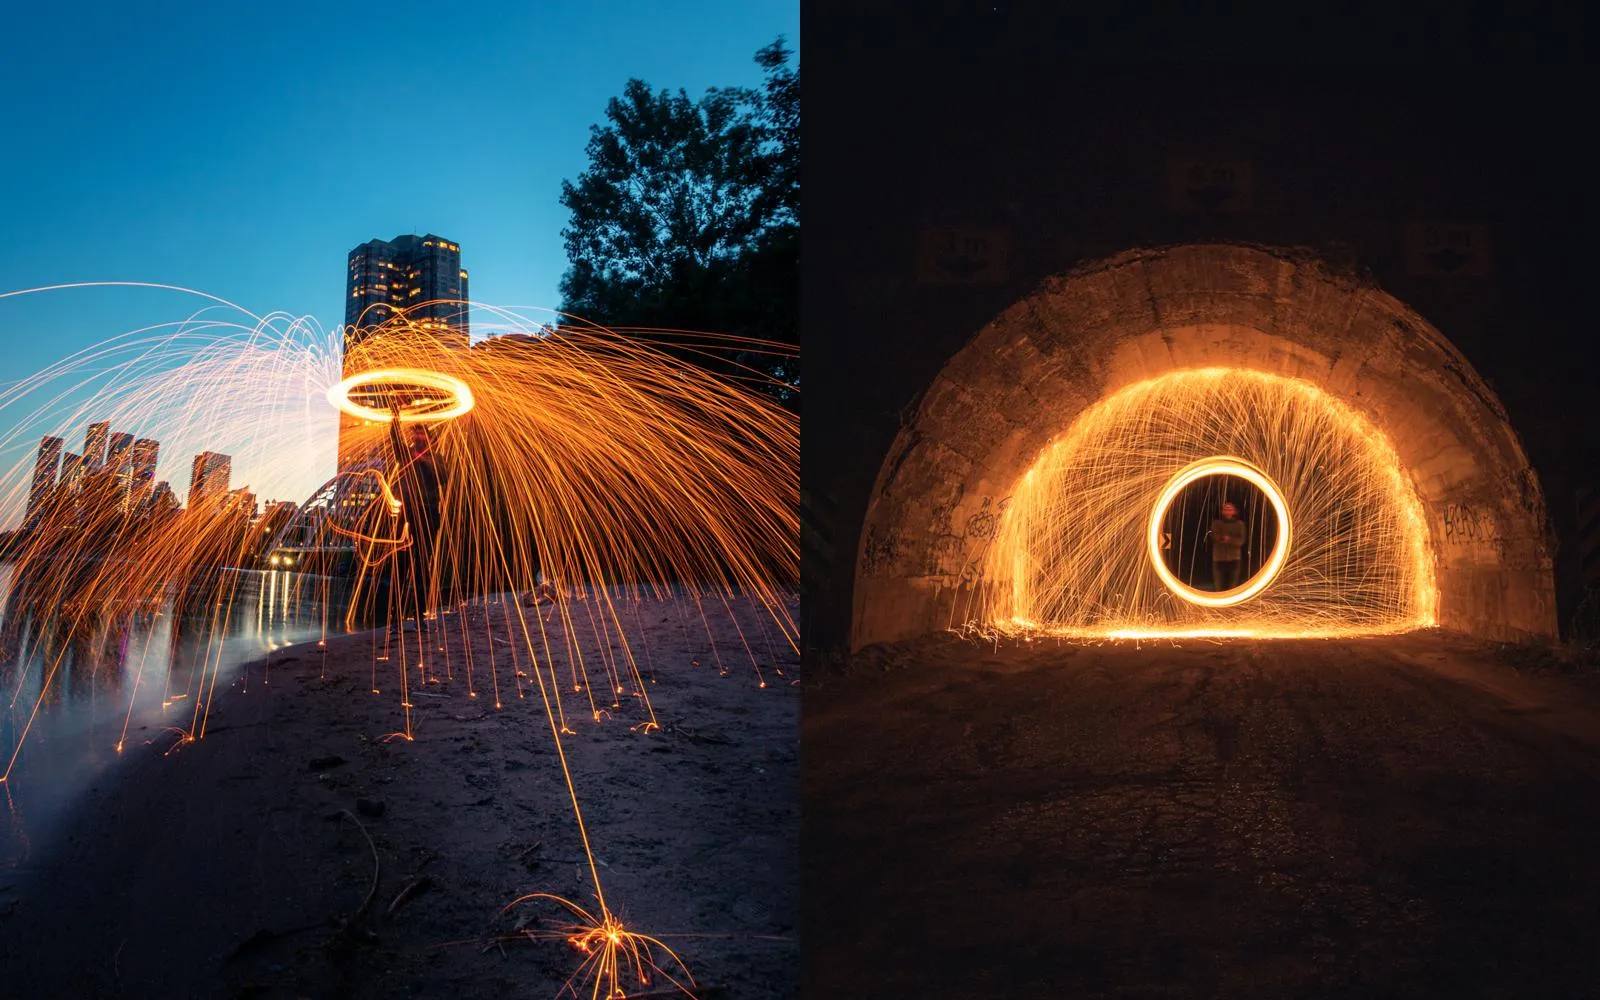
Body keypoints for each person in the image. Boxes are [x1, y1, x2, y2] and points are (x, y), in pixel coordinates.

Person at [387, 400, 443, 634]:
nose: (418, 439)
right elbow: (394, 440)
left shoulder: (436, 458)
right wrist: (395, 416)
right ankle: (395, 620)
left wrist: (422, 461)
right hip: (407, 518)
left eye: (422, 435)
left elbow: (443, 478)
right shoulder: (406, 454)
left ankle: (419, 617)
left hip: (428, 517)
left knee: (422, 569)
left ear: (428, 439)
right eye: (415, 435)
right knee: (399, 569)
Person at [1209, 501, 1247, 591]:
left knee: (1232, 588)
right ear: (1222, 512)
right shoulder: (1216, 523)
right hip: (1219, 559)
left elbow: (1241, 540)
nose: (1228, 511)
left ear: (1234, 512)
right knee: (1219, 587)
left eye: (1230, 509)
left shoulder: (1240, 524)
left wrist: (1229, 539)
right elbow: (1213, 535)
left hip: (1234, 559)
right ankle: (1219, 604)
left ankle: (1231, 605)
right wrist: (1222, 538)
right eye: (1226, 509)